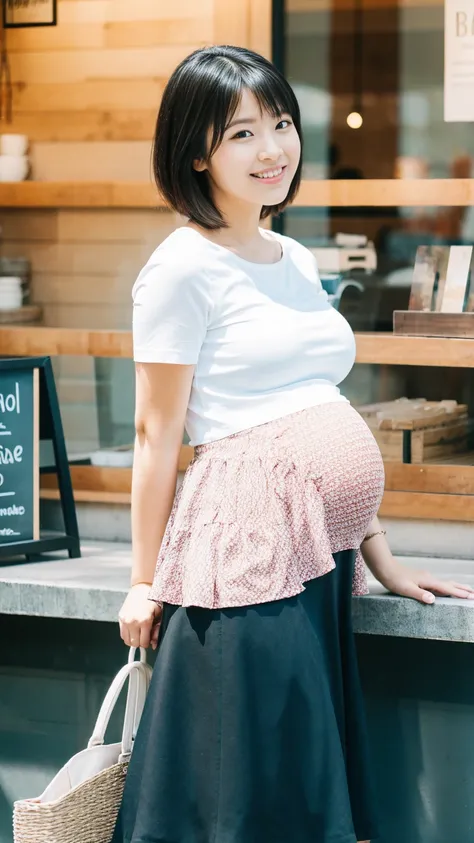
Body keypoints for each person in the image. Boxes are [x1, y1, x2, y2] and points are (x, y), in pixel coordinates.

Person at [112, 46, 474, 843]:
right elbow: (156, 432)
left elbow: (317, 398)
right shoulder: (179, 270)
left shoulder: (292, 254)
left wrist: (377, 550)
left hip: (315, 557)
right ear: (197, 150)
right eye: (241, 133)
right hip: (244, 562)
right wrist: (143, 579)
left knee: (298, 783)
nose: (272, 148)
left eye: (280, 124)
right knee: (254, 787)